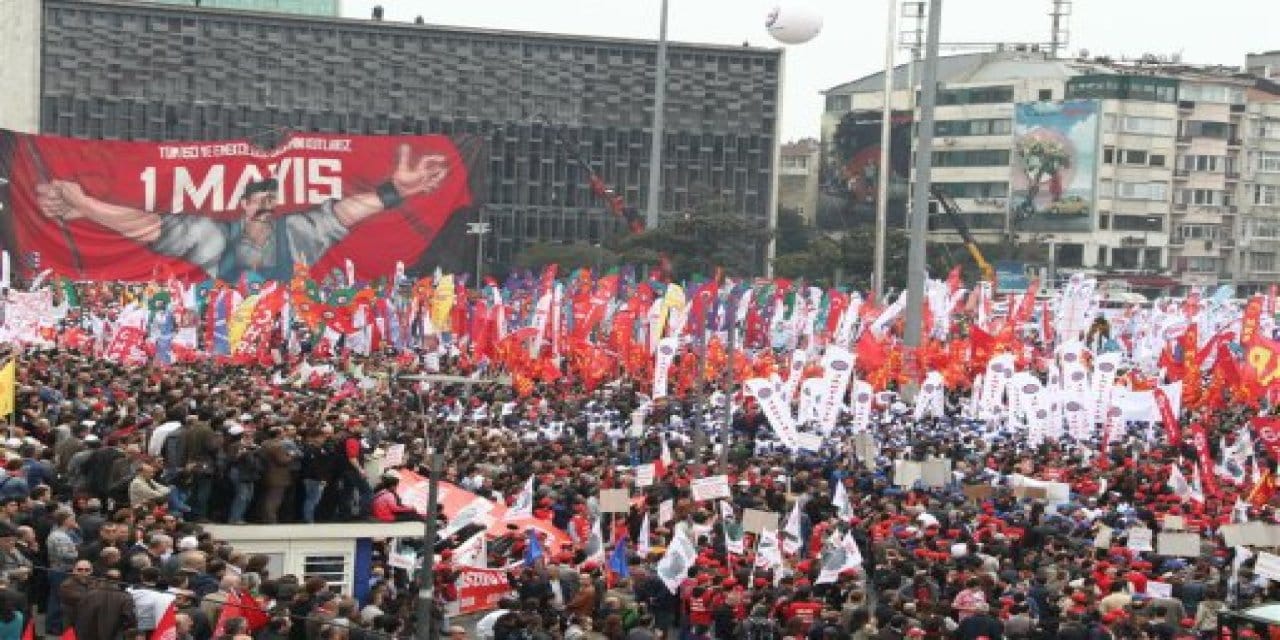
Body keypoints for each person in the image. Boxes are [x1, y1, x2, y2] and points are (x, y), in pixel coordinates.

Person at [36, 146, 451, 282]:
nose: (266, 210)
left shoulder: (298, 234)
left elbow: (342, 213)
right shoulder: (215, 239)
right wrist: (88, 206)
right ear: (243, 206)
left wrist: (395, 190)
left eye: (272, 204)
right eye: (258, 203)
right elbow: (148, 225)